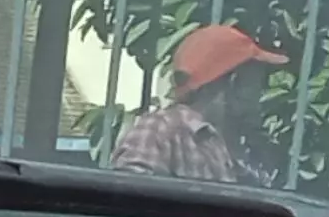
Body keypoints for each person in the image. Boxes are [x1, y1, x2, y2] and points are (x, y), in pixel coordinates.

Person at [112, 21, 285, 182]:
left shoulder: (243, 143)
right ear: (234, 82)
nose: (262, 91)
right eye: (256, 82)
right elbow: (130, 200)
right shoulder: (160, 131)